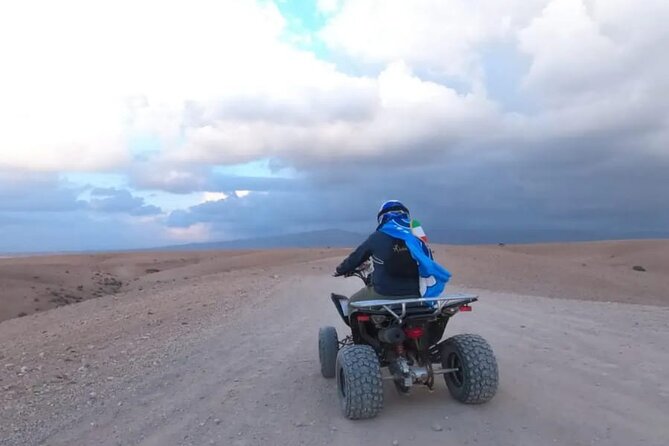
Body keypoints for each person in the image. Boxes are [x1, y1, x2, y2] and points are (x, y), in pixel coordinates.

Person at [334, 200, 451, 303]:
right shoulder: (417, 236)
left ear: (382, 217)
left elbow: (356, 257)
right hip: (416, 293)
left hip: (384, 293)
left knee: (352, 303)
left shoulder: (377, 237)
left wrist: (341, 270)